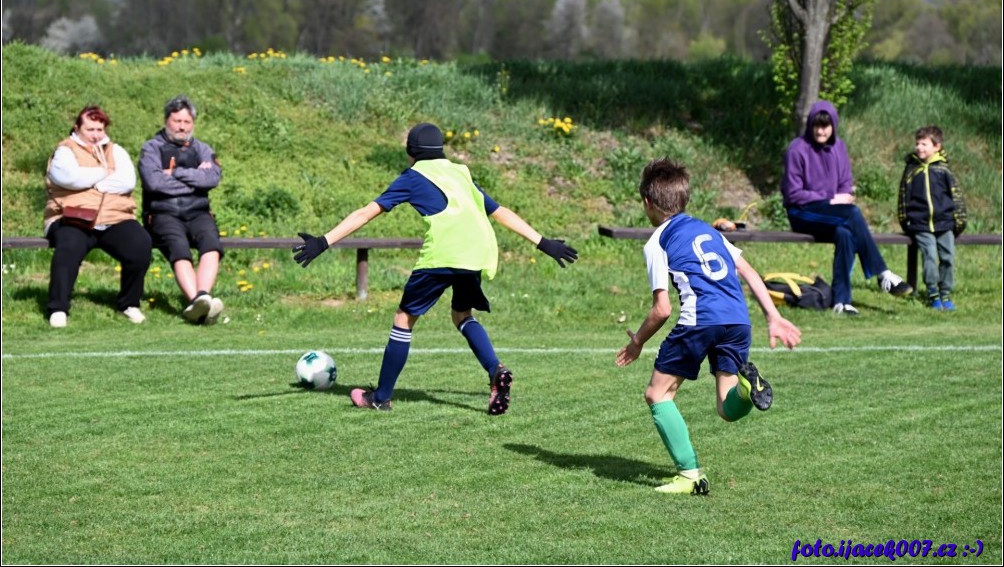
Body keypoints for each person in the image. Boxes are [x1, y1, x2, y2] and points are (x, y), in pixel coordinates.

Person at [292, 122, 579, 415]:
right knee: (462, 315)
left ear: (411, 152)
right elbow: (499, 211)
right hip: (476, 253)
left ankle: (381, 397)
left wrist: (324, 241)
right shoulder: (460, 172)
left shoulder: (413, 176)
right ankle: (495, 371)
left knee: (404, 319)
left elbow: (367, 212)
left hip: (444, 254)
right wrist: (543, 242)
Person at [615, 159, 801, 495]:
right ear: (684, 199)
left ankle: (689, 476)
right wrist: (773, 316)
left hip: (700, 320)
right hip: (738, 321)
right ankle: (746, 388)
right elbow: (749, 272)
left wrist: (638, 342)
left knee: (657, 393)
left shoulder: (657, 241)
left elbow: (662, 309)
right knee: (726, 407)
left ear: (647, 202)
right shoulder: (708, 231)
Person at [781, 100, 913, 315]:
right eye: (817, 125)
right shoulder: (797, 149)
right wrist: (830, 198)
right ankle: (882, 274)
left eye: (825, 125)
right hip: (802, 211)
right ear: (810, 125)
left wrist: (842, 196)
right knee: (851, 214)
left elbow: (845, 182)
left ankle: (842, 302)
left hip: (832, 211)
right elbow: (793, 194)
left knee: (845, 233)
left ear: (833, 125)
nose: (821, 130)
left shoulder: (839, 147)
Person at [44, 105, 152, 327]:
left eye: (100, 129)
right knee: (69, 247)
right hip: (71, 216)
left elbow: (126, 182)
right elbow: (68, 178)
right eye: (90, 129)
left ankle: (129, 303)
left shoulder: (116, 150)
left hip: (114, 217)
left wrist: (90, 183)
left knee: (140, 244)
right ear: (77, 128)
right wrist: (103, 174)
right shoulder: (64, 151)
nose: (95, 135)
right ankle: (58, 308)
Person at [138, 95, 225, 325]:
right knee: (179, 247)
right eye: (177, 121)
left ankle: (202, 297)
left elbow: (212, 178)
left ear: (193, 123)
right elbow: (154, 183)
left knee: (211, 244)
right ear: (167, 121)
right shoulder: (151, 148)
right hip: (163, 212)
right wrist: (194, 178)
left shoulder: (203, 149)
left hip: (198, 211)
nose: (182, 126)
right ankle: (197, 301)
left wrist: (175, 173)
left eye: (186, 122)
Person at [897, 125, 967, 311]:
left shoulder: (944, 170)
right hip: (920, 225)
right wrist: (906, 222)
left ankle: (946, 294)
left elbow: (956, 197)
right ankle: (933, 294)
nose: (919, 147)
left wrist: (958, 222)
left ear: (936, 147)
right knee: (929, 256)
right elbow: (903, 197)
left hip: (945, 224)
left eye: (924, 144)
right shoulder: (911, 170)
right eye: (917, 143)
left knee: (947, 258)